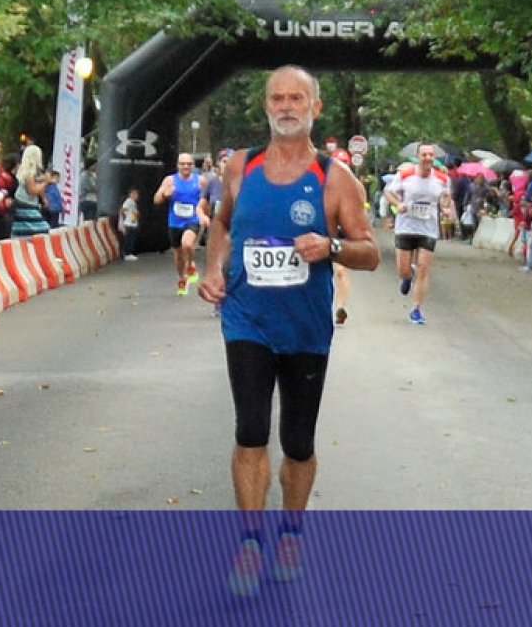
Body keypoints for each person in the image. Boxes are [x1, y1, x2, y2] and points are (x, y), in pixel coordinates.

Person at [198, 67, 377, 597]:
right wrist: (213, 269)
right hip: (246, 320)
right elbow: (223, 224)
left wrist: (332, 247)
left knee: (298, 442)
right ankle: (251, 543)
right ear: (266, 106)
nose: (286, 106)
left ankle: (292, 533)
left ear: (315, 108)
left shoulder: (336, 179)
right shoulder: (240, 166)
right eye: (277, 98)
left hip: (305, 328)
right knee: (251, 429)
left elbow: (369, 252)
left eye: (297, 97)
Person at [384, 143, 448, 325]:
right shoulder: (405, 175)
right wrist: (398, 204)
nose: (428, 158)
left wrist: (445, 207)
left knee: (424, 269)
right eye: (424, 155)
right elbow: (388, 192)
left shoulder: (442, 178)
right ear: (418, 157)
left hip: (428, 229)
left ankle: (417, 309)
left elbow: (446, 197)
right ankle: (407, 276)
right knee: (402, 269)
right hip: (406, 227)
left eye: (431, 155)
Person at [155, 153, 210, 295]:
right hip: (175, 222)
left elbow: (207, 200)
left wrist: (204, 215)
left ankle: (190, 265)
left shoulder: (201, 181)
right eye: (182, 164)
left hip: (192, 219)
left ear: (193, 166)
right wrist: (165, 195)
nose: (186, 166)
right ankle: (181, 278)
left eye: (189, 164)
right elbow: (156, 200)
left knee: (187, 244)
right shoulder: (170, 180)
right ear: (177, 165)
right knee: (178, 254)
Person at [10, 144, 52, 238]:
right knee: (42, 229)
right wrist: (46, 182)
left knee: (25, 231)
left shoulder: (24, 170)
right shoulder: (29, 173)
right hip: (26, 204)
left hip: (24, 203)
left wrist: (43, 197)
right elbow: (32, 190)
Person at [118, 187, 141, 260]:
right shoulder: (128, 201)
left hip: (133, 223)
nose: (137, 196)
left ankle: (129, 253)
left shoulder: (133, 202)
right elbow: (122, 210)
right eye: (135, 194)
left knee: (132, 239)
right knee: (129, 240)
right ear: (131, 194)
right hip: (129, 224)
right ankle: (127, 254)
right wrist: (124, 219)